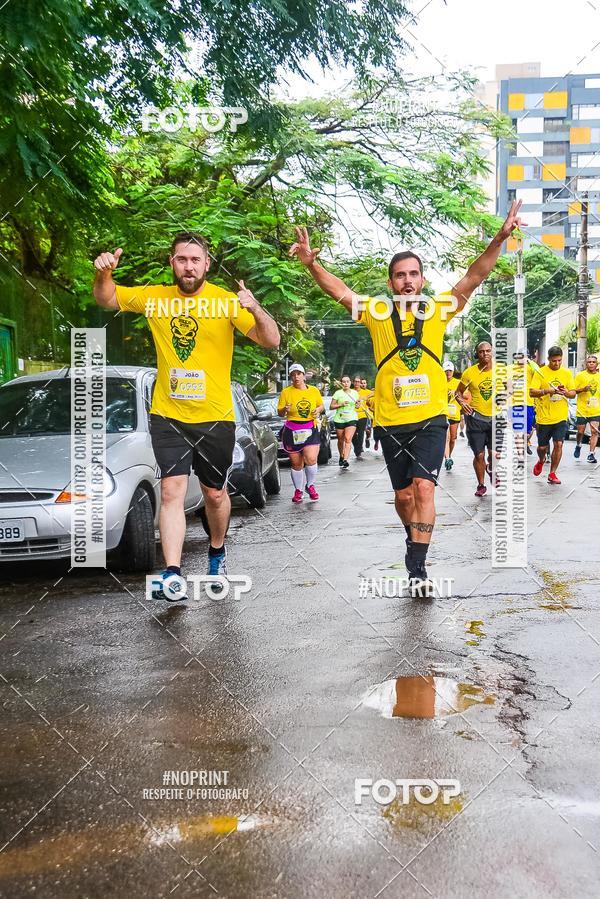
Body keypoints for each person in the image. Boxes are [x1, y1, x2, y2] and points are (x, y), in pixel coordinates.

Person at [289, 201, 525, 596]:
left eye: (413, 274)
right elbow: (341, 291)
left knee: (425, 489)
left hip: (432, 416)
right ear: (390, 282)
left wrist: (500, 238)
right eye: (400, 276)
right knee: (403, 495)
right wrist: (313, 265)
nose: (407, 281)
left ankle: (417, 564)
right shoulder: (378, 312)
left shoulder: (438, 309)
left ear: (423, 278)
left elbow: (473, 276)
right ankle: (411, 536)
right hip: (391, 421)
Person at [93, 233, 280, 601]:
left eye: (196, 260)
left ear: (207, 264)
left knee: (214, 494)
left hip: (215, 418)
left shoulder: (226, 302)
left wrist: (255, 308)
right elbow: (108, 297)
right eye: (182, 259)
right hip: (168, 414)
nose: (189, 266)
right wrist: (104, 273)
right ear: (172, 262)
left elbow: (270, 340)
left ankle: (216, 550)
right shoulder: (155, 297)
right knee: (172, 491)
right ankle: (173, 572)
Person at [456, 342, 505, 497]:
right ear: (477, 354)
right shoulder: (469, 373)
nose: (485, 354)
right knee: (479, 455)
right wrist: (462, 403)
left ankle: (491, 468)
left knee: (495, 454)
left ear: (492, 352)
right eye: (482, 351)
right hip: (475, 418)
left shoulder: (501, 371)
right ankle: (481, 484)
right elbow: (457, 393)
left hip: (496, 418)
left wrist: (505, 396)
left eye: (488, 351)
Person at [277, 363, 325, 502]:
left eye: (298, 374)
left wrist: (318, 410)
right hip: (292, 429)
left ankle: (310, 485)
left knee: (310, 459)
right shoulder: (286, 392)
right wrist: (284, 409)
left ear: (304, 376)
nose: (296, 377)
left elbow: (320, 405)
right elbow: (280, 413)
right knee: (296, 463)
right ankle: (298, 490)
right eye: (293, 375)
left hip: (309, 427)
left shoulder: (313, 391)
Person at [529, 346, 575, 485]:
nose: (557, 363)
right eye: (554, 361)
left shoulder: (566, 373)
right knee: (542, 448)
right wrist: (547, 390)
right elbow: (532, 392)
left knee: (558, 443)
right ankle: (541, 460)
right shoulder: (540, 372)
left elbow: (573, 393)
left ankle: (552, 473)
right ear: (549, 359)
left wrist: (566, 392)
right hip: (544, 417)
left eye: (559, 360)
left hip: (560, 416)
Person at [573, 352, 600, 463]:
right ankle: (578, 445)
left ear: (597, 364)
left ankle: (591, 454)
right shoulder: (580, 375)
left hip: (595, 409)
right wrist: (583, 389)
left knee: (594, 432)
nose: (591, 364)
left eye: (593, 362)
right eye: (589, 362)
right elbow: (573, 391)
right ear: (586, 363)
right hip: (582, 410)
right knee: (581, 432)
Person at [330, 376, 360, 469]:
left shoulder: (354, 393)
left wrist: (358, 405)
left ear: (350, 383)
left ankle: (345, 459)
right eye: (343, 382)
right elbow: (331, 406)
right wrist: (341, 404)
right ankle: (341, 456)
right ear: (341, 383)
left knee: (348, 439)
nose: (346, 383)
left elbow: (357, 406)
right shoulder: (338, 393)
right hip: (340, 418)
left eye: (347, 381)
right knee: (340, 440)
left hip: (351, 418)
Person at [443, 360, 461, 471]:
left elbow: (466, 395)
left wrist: (456, 392)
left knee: (453, 439)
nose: (448, 373)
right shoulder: (439, 382)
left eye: (450, 371)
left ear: (453, 371)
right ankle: (447, 458)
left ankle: (449, 455)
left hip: (455, 414)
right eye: (446, 371)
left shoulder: (459, 383)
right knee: (447, 438)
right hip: (443, 414)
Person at [352, 374, 374, 459]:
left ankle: (359, 451)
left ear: (361, 383)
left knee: (361, 433)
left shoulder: (365, 391)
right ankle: (357, 448)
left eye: (359, 382)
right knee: (353, 434)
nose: (357, 383)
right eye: (356, 382)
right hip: (352, 416)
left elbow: (375, 393)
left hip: (362, 415)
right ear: (353, 383)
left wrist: (365, 397)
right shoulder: (351, 391)